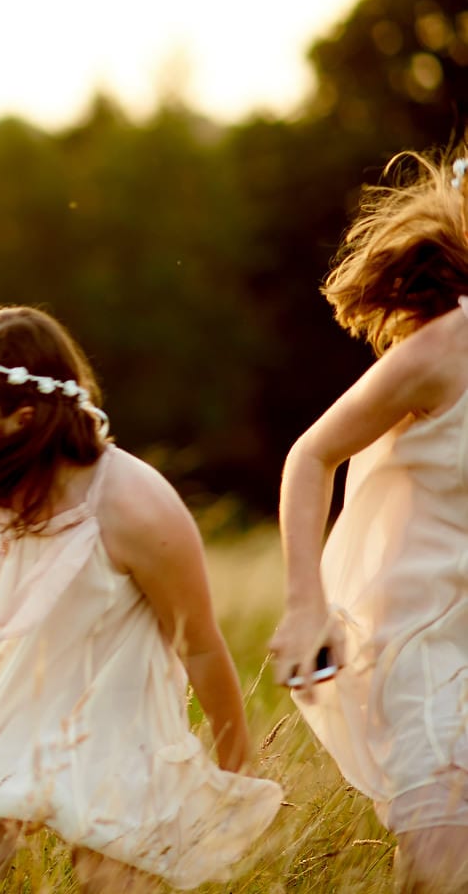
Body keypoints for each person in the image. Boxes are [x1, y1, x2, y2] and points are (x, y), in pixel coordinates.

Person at [0, 306, 282, 893]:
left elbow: (201, 645)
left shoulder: (137, 507)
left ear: (23, 418)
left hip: (107, 724)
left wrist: (237, 766)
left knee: (113, 876)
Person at [269, 150, 468, 893]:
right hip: (417, 642)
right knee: (443, 860)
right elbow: (311, 455)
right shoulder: (443, 350)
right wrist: (304, 603)